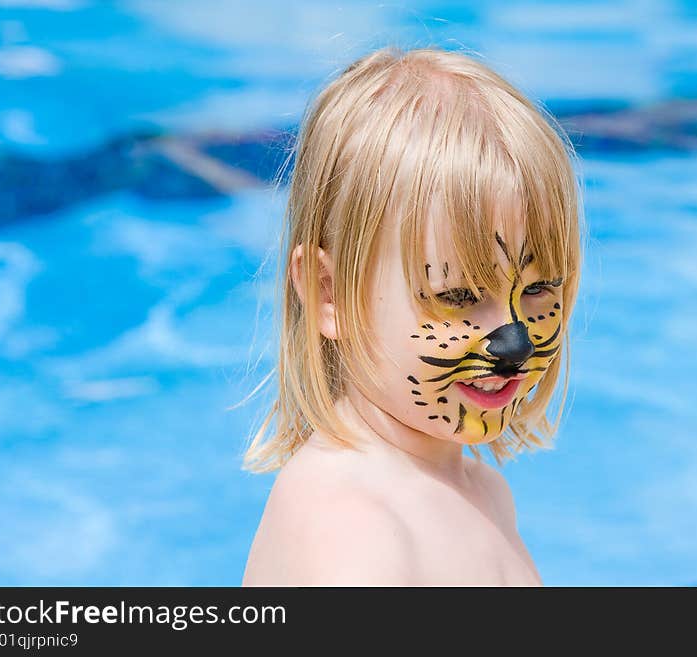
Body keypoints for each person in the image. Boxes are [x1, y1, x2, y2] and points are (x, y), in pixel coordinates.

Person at [240, 45, 583, 586]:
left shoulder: (480, 490)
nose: (513, 342)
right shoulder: (350, 533)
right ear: (328, 293)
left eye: (539, 287)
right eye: (458, 297)